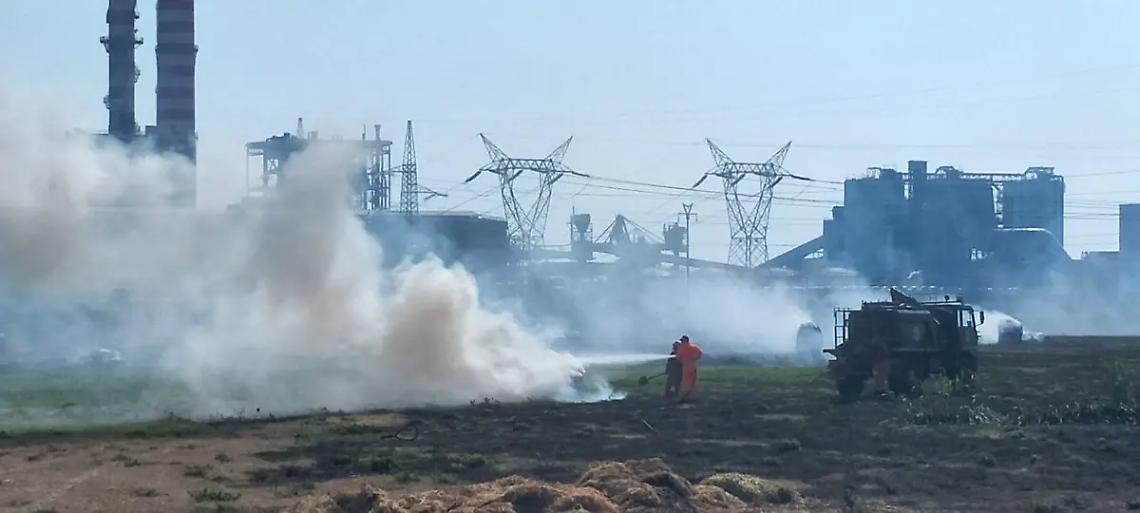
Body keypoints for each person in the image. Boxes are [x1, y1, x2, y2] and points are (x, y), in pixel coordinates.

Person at [675, 335, 703, 401]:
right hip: (693, 366)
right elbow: (700, 353)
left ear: (684, 341)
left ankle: (684, 396)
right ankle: (692, 396)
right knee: (693, 381)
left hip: (686, 367)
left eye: (682, 340)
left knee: (686, 382)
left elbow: (678, 357)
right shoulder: (694, 347)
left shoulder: (681, 348)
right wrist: (695, 358)